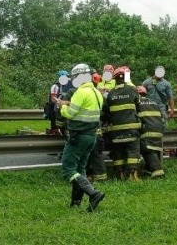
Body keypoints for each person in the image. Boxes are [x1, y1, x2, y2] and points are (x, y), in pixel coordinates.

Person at [56, 63, 105, 212]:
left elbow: (70, 114)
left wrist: (62, 106)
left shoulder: (80, 92)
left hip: (78, 136)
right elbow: (84, 108)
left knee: (68, 169)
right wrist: (69, 103)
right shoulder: (96, 92)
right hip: (91, 136)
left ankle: (93, 193)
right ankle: (75, 203)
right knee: (80, 169)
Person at [102, 66, 141, 181]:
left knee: (118, 151)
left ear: (114, 79)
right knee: (133, 150)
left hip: (116, 130)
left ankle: (119, 174)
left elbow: (106, 111)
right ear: (125, 78)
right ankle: (132, 174)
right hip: (132, 128)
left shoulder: (111, 93)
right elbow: (138, 105)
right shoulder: (132, 90)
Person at [136, 85, 165, 178]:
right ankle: (149, 168)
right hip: (159, 130)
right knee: (154, 148)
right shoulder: (154, 102)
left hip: (147, 130)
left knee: (147, 149)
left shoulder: (137, 103)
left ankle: (157, 172)